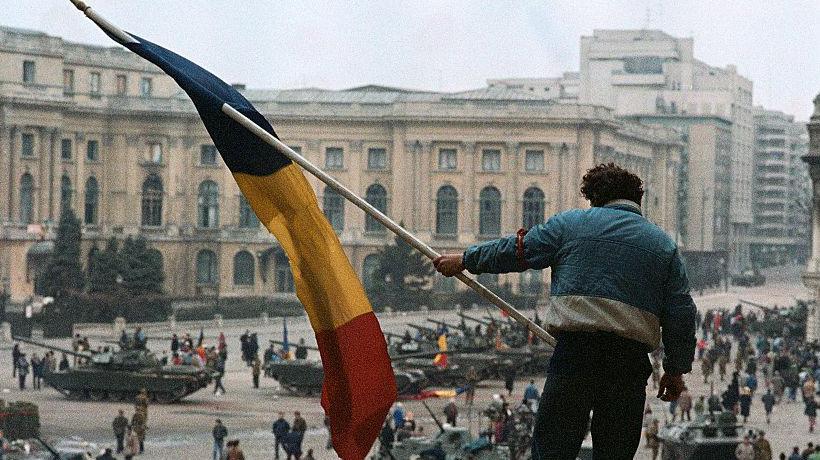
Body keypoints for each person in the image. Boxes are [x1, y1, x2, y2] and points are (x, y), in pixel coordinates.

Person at [433, 163, 697, 459]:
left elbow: (516, 251)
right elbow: (682, 314)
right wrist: (675, 371)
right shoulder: (663, 245)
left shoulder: (569, 225)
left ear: (594, 199)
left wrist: (466, 259)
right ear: (637, 200)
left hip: (574, 358)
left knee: (552, 450)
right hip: (628, 363)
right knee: (615, 453)